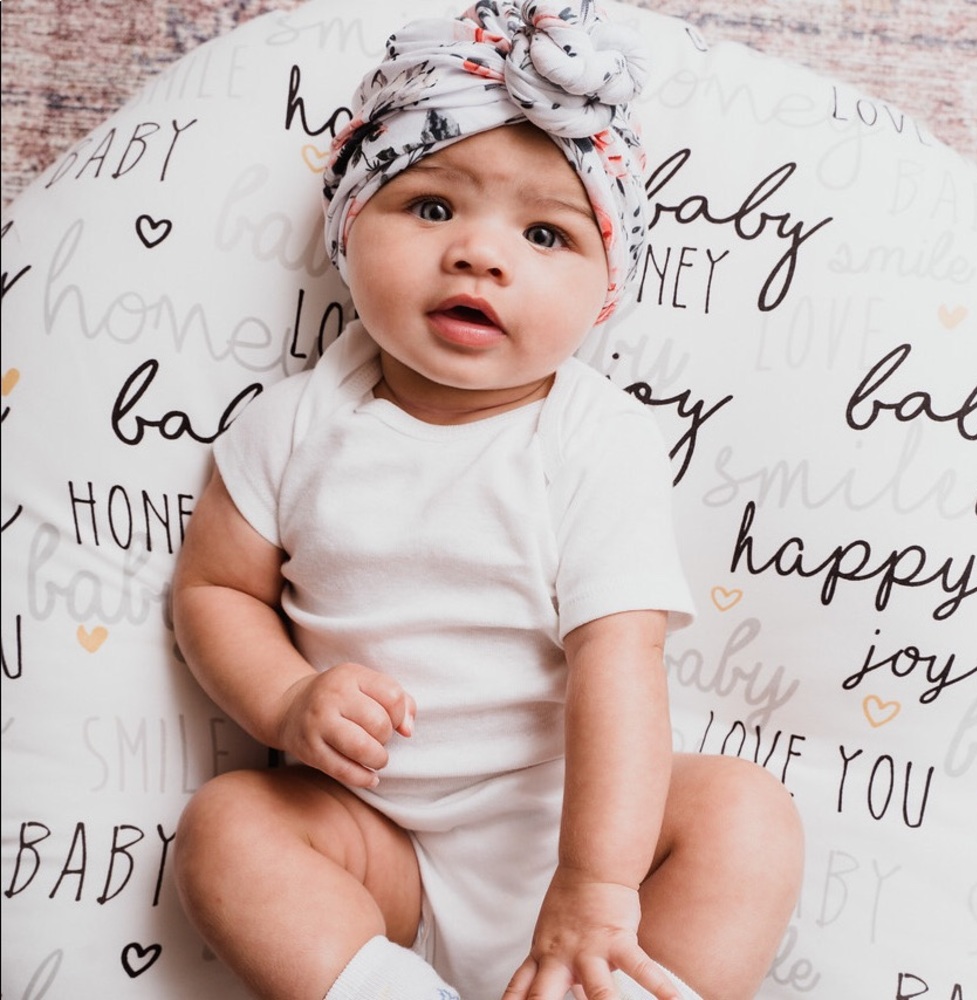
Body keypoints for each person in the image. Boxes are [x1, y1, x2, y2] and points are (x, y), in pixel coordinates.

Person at [171, 3, 804, 999]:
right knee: (229, 827)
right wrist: (287, 700)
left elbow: (619, 663)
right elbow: (217, 590)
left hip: (579, 835)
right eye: (431, 208)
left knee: (743, 811)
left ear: (603, 289)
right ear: (348, 227)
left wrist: (596, 884)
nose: (478, 253)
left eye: (546, 232)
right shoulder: (290, 426)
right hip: (378, 841)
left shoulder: (593, 439)